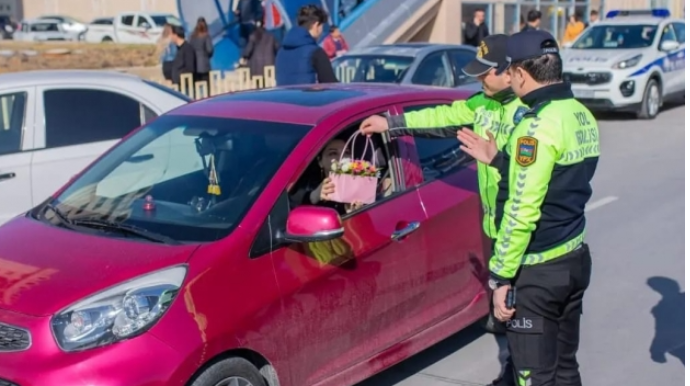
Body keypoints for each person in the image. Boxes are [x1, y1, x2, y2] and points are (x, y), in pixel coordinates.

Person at [359, 35, 528, 386]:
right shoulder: (481, 103)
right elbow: (440, 116)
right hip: (496, 224)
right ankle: (515, 369)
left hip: (524, 224)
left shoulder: (527, 112)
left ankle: (524, 373)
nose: (479, 81)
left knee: (524, 311)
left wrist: (501, 156)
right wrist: (389, 123)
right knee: (508, 307)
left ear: (508, 71)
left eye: (485, 74)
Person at [457, 29, 599, 386]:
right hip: (574, 260)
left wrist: (501, 278)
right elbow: (556, 181)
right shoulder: (580, 114)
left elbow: (522, 211)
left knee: (533, 376)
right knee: (566, 368)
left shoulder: (533, 128)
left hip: (537, 273)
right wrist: (500, 160)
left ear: (520, 73)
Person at [274, 4, 338, 86]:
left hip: (283, 98)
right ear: (316, 25)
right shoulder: (316, 52)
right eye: (322, 26)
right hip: (309, 98)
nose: (322, 32)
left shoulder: (281, 52)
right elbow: (332, 85)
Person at [189, 17, 214, 89]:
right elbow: (210, 50)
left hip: (194, 66)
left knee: (196, 88)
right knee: (207, 88)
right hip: (204, 66)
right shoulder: (206, 36)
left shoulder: (192, 37)